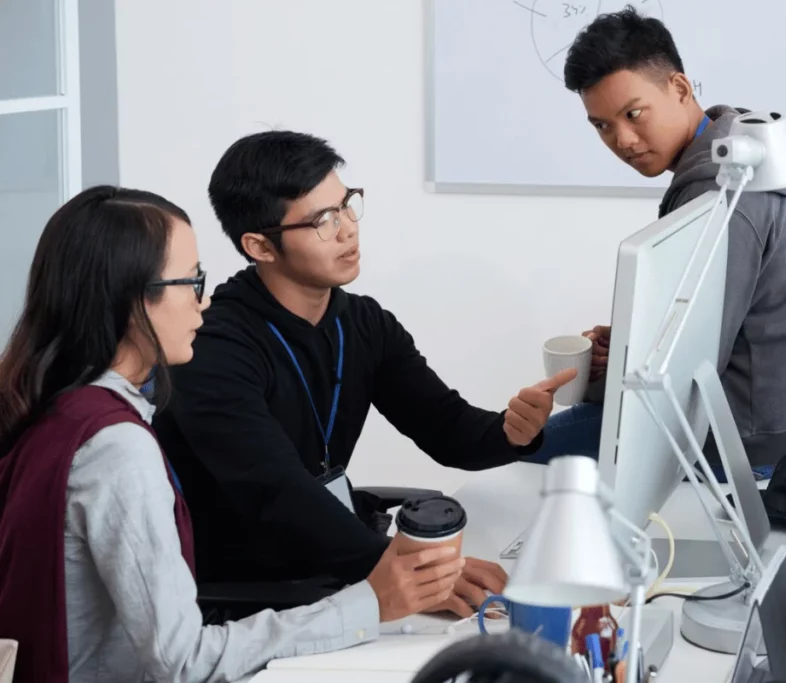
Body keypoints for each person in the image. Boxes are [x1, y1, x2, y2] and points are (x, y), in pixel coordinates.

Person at [0, 186, 466, 683]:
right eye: (190, 280)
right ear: (132, 300)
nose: (204, 300)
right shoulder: (117, 447)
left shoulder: (56, 404)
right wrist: (370, 604)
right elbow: (183, 661)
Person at [153, 131, 574, 619]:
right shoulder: (214, 349)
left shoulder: (364, 324)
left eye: (347, 205)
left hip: (331, 565)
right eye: (322, 221)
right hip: (253, 595)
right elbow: (276, 493)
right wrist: (406, 571)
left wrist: (511, 430)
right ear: (260, 246)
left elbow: (448, 429)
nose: (348, 229)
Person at [529, 7, 786, 471]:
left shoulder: (722, 190)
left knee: (526, 450)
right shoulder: (738, 144)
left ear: (679, 88)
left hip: (754, 444)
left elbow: (679, 375)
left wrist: (611, 368)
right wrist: (626, 347)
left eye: (633, 114)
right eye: (602, 126)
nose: (623, 139)